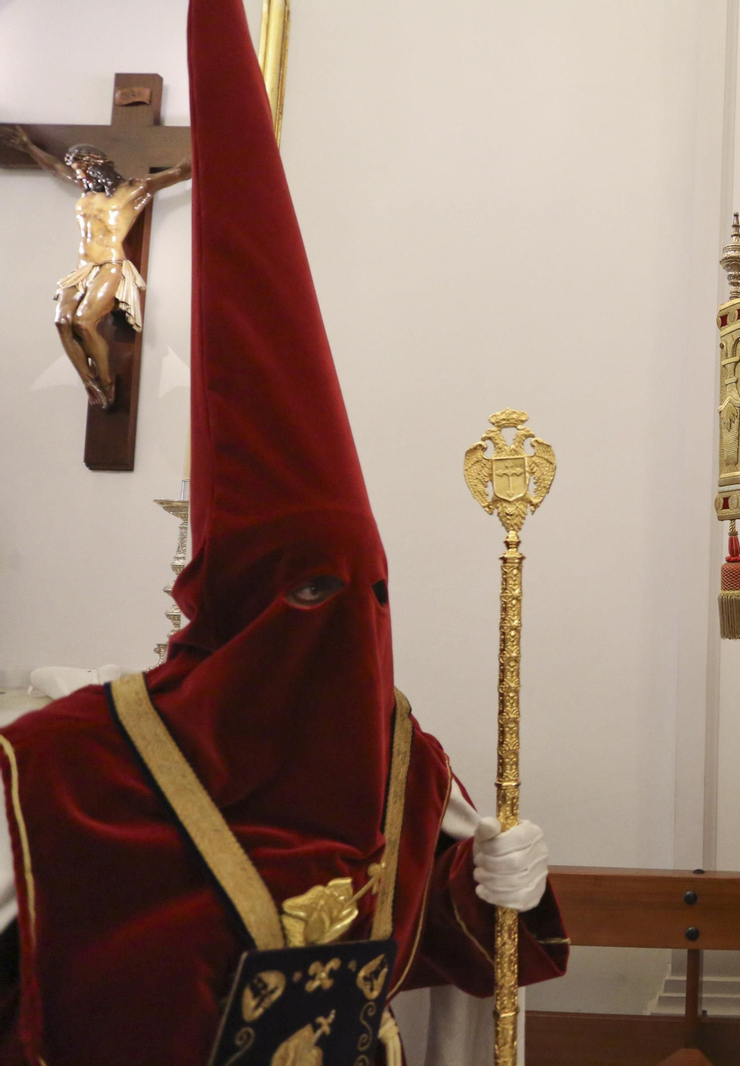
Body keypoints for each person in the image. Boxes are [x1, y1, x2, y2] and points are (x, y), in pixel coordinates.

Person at [0, 2, 566, 1063]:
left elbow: (446, 948)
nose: (347, 625)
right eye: (309, 592)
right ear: (229, 600)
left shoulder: (398, 764)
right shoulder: (70, 770)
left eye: (369, 593)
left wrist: (505, 888)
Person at [0, 126, 190, 409]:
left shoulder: (131, 190)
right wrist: (28, 147)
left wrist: (209, 145)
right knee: (62, 321)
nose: (79, 176)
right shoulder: (85, 192)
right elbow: (55, 168)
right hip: (82, 269)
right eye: (77, 171)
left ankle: (107, 381)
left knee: (84, 322)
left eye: (83, 170)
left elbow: (179, 172)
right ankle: (90, 382)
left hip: (109, 265)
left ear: (98, 166)